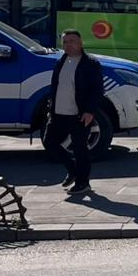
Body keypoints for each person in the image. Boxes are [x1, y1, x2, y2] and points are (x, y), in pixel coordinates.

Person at [44, 29, 104, 196]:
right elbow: (56, 86)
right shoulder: (61, 61)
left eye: (72, 41)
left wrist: (90, 111)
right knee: (49, 142)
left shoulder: (90, 63)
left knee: (80, 149)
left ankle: (82, 183)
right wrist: (51, 108)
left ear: (80, 43)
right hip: (58, 113)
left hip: (79, 115)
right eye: (65, 42)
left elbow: (97, 90)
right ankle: (72, 169)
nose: (68, 45)